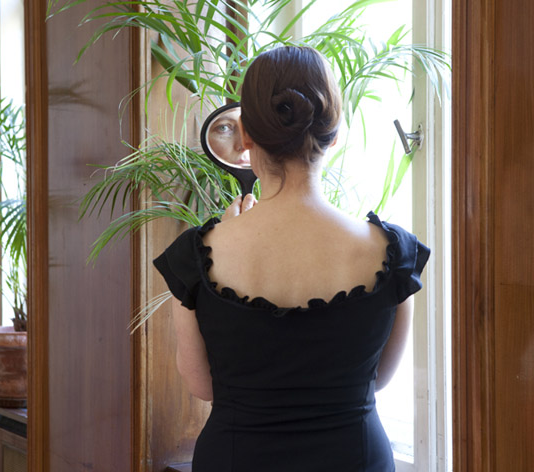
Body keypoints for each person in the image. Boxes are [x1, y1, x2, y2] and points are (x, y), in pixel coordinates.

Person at [153, 46, 429, 472]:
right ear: (334, 135)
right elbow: (380, 378)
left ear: (246, 137)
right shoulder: (394, 252)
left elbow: (201, 384)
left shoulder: (197, 254)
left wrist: (227, 233)